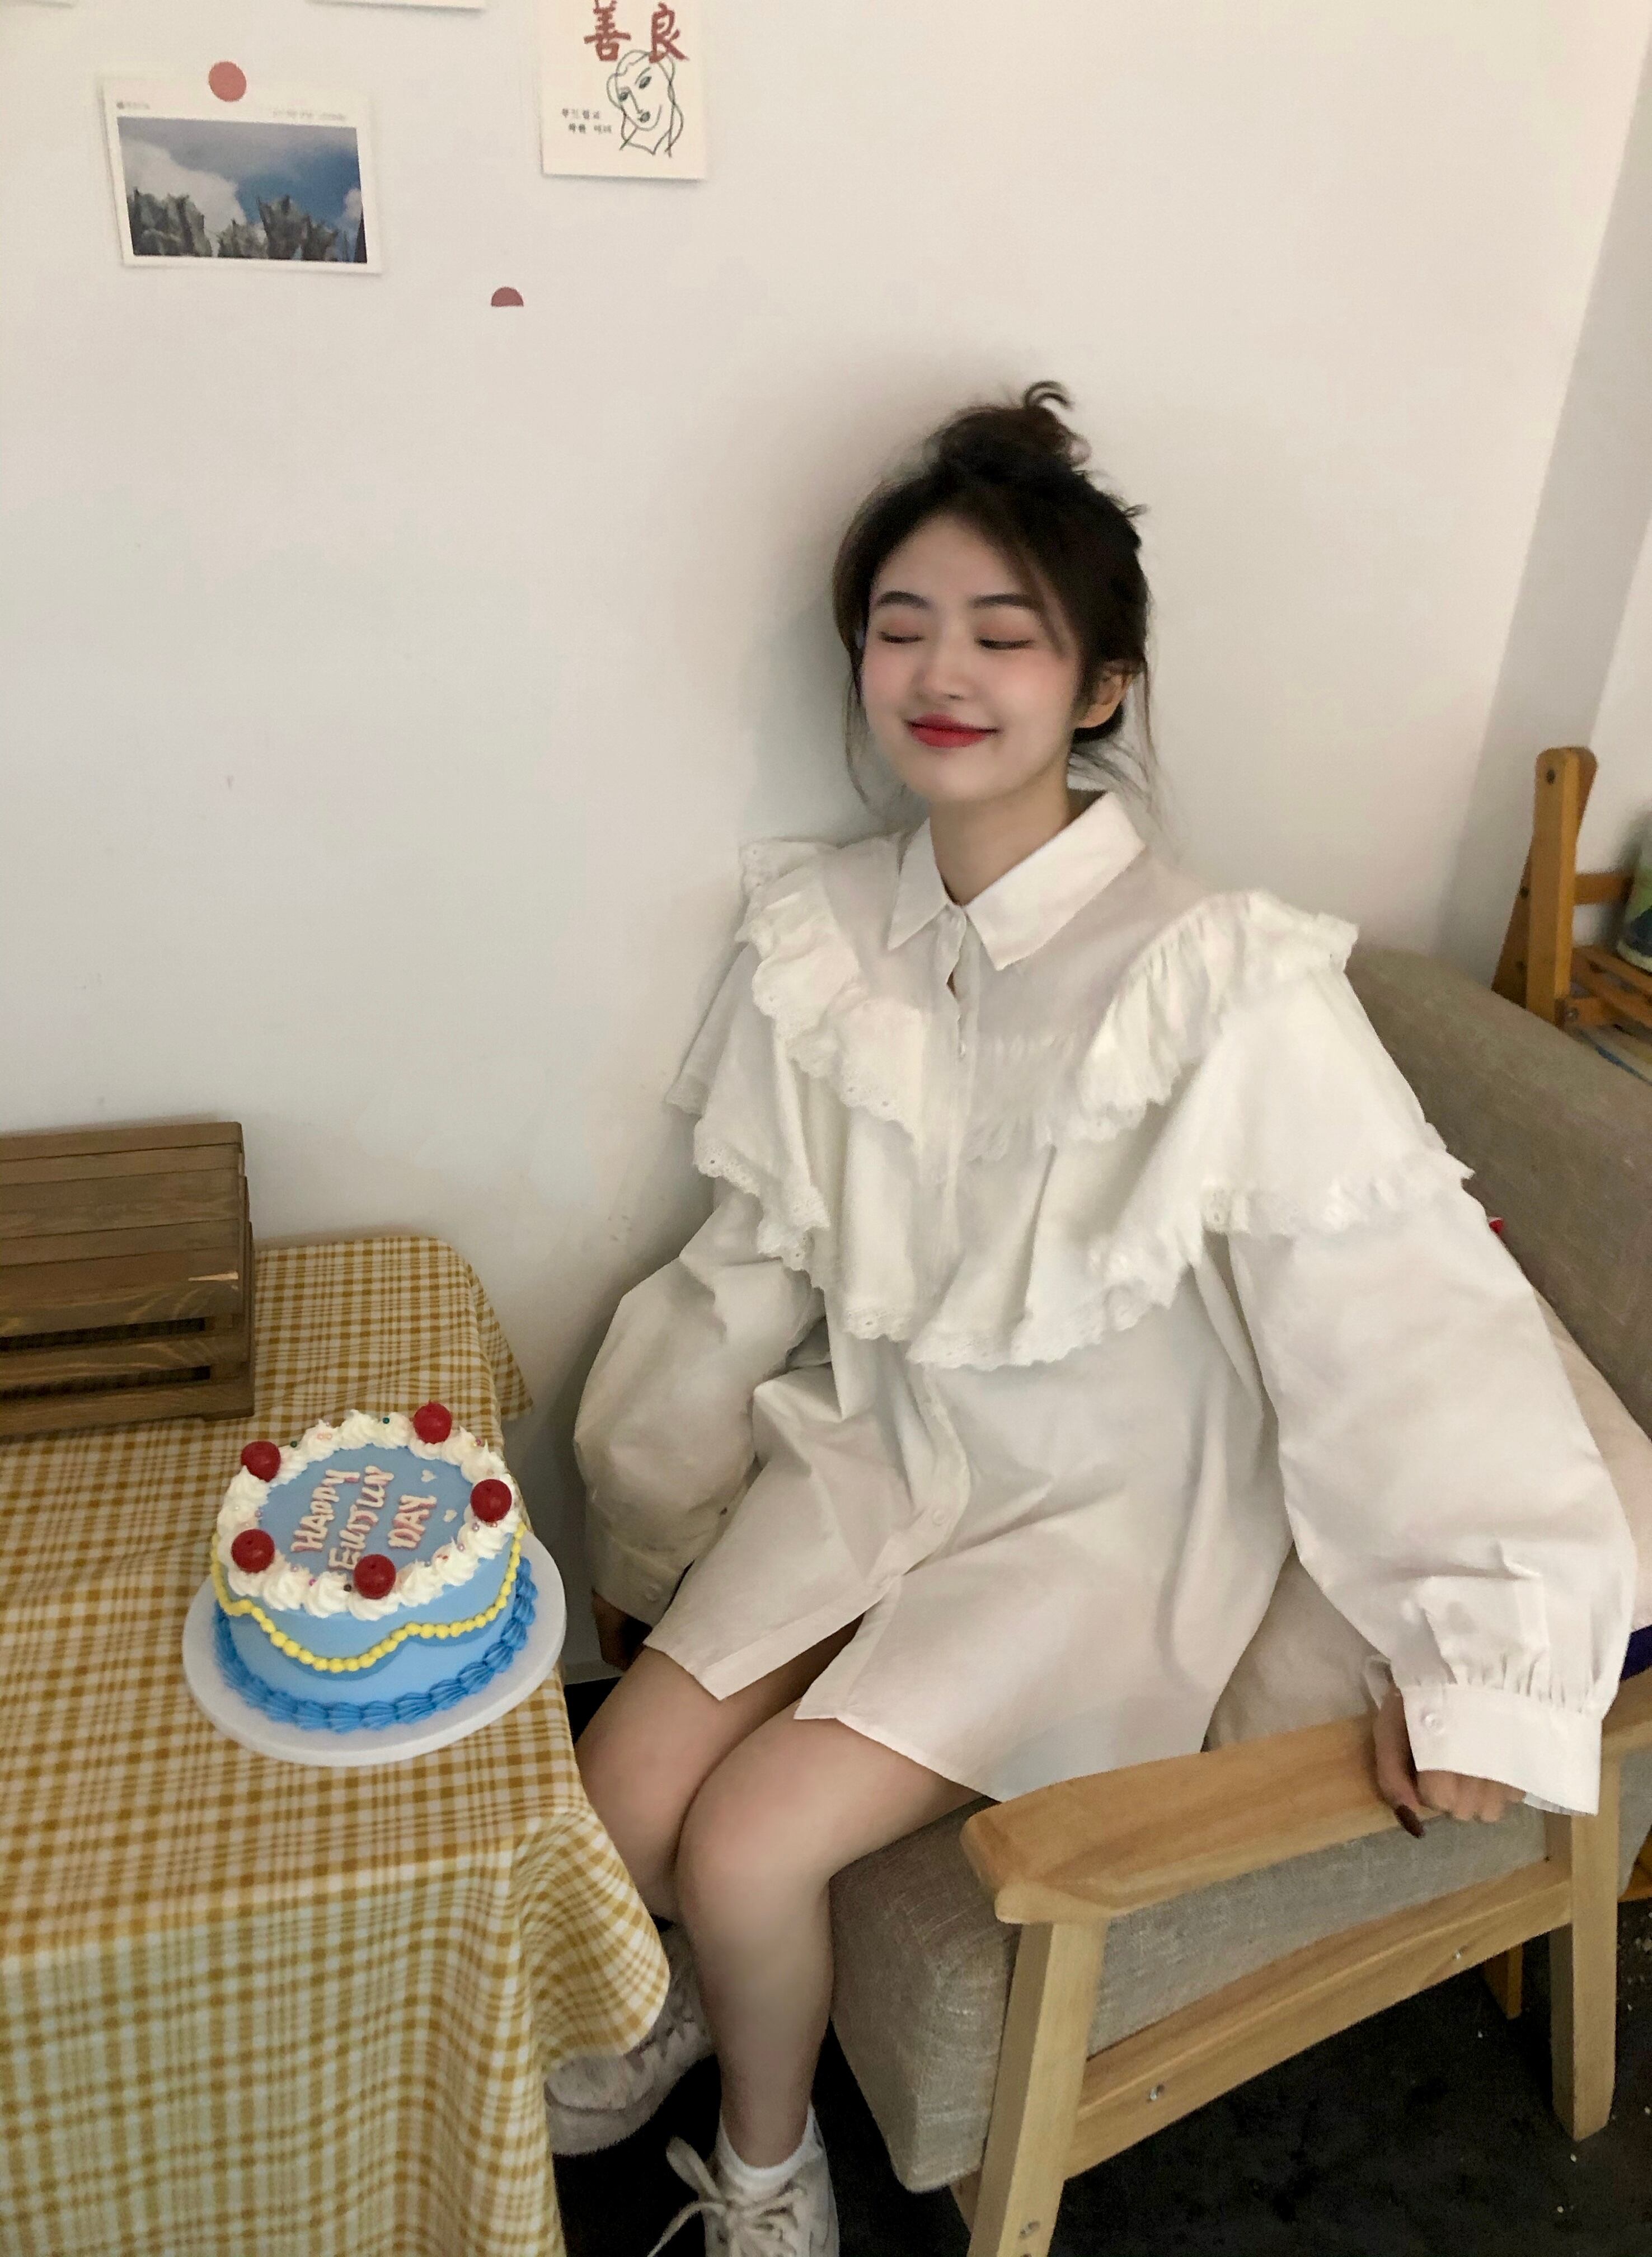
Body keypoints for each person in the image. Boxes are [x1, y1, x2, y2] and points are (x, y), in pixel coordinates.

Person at [549, 382, 1639, 2257]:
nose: (941, 672)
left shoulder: (1219, 979)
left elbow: (1400, 1308)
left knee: (745, 1839)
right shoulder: (836, 932)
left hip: (1096, 1525)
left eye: (1006, 633)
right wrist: (649, 1485)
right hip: (883, 1452)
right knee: (615, 1788)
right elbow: (759, 1254)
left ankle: (768, 2172)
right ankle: (701, 2003)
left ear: (1103, 684)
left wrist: (1490, 1648)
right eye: (901, 627)